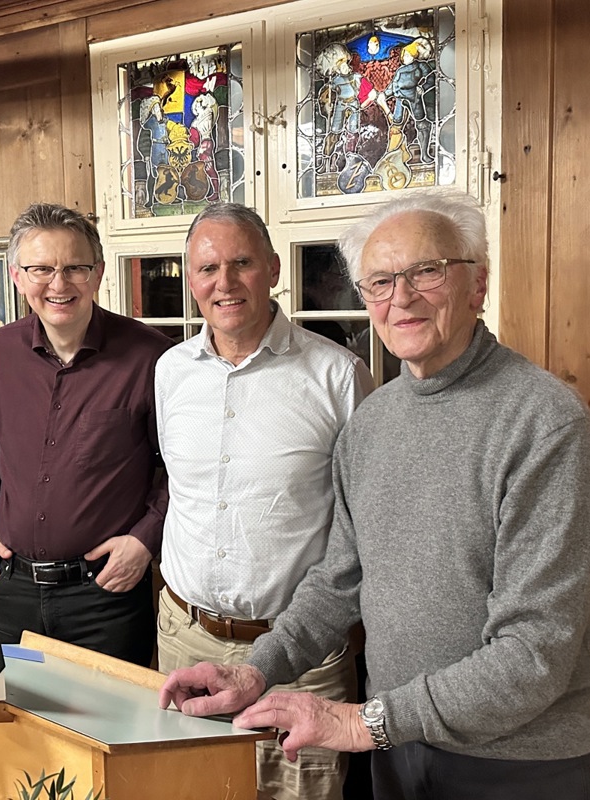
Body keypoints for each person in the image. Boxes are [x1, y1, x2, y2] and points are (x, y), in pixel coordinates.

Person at [160, 191, 590, 800]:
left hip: (520, 764)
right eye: (378, 281)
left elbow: (535, 655)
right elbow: (339, 581)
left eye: (426, 272)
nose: (400, 297)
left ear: (477, 284)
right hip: (399, 752)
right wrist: (255, 669)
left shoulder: (544, 423)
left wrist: (358, 721)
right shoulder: (373, 424)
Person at [155, 203, 373, 800]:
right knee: (186, 789)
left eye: (241, 263)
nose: (223, 283)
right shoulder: (170, 372)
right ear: (190, 279)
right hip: (185, 636)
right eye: (206, 268)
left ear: (273, 268)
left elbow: (364, 526)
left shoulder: (337, 375)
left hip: (301, 652)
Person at [0, 203, 172, 666]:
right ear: (17, 275)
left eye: (74, 268)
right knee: (17, 727)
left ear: (97, 273)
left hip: (105, 593)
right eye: (41, 268)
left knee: (110, 732)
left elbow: (177, 467)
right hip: (10, 588)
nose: (58, 285)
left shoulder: (152, 357)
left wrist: (145, 539)